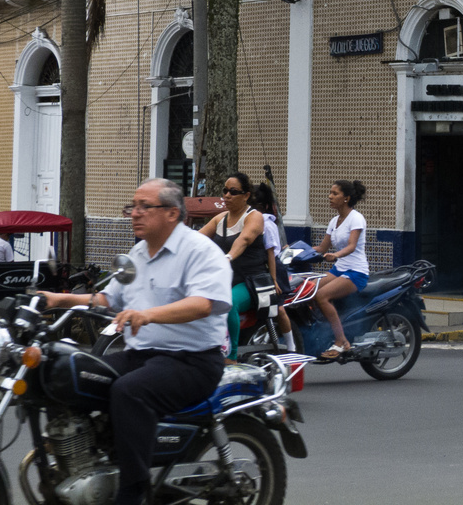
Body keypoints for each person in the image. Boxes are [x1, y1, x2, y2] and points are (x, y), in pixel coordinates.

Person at [44, 179, 230, 505]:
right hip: (140, 354)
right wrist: (56, 299)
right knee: (65, 375)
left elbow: (204, 303)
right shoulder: (137, 253)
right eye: (133, 206)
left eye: (145, 206)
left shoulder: (200, 251)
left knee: (129, 391)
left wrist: (149, 315)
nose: (135, 213)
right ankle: (93, 464)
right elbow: (107, 299)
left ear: (172, 213)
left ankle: (134, 492)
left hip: (192, 360)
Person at [198, 171, 269, 355]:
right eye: (225, 191)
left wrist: (228, 257)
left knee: (227, 302)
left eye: (233, 191)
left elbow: (243, 240)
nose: (227, 195)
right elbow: (196, 240)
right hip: (224, 279)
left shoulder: (254, 217)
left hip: (249, 281)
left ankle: (232, 355)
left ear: (246, 196)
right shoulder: (220, 219)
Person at [313, 179, 370, 359]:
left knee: (321, 295)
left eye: (334, 193)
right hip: (340, 269)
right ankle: (322, 331)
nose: (330, 196)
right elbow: (322, 248)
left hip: (356, 271)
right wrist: (294, 250)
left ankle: (341, 341)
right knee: (307, 290)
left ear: (346, 198)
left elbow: (352, 246)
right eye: (330, 193)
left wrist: (336, 255)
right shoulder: (334, 220)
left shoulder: (356, 218)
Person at [249, 181, 295, 352]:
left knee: (279, 309)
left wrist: (273, 280)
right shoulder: (249, 222)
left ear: (263, 206)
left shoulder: (267, 224)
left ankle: (291, 345)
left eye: (254, 206)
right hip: (260, 269)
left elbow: (271, 254)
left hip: (272, 268)